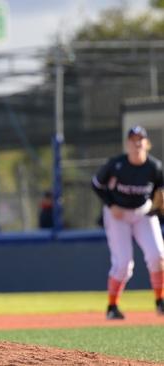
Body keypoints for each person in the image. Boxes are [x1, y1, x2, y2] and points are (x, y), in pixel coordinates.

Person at [91, 125, 164, 320]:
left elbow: (160, 189)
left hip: (143, 212)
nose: (137, 142)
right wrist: (110, 203)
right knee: (123, 264)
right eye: (133, 139)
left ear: (146, 143)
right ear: (127, 144)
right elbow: (96, 184)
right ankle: (112, 306)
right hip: (118, 214)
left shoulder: (154, 167)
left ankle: (160, 301)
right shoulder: (116, 165)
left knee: (158, 255)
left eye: (140, 139)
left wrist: (160, 203)